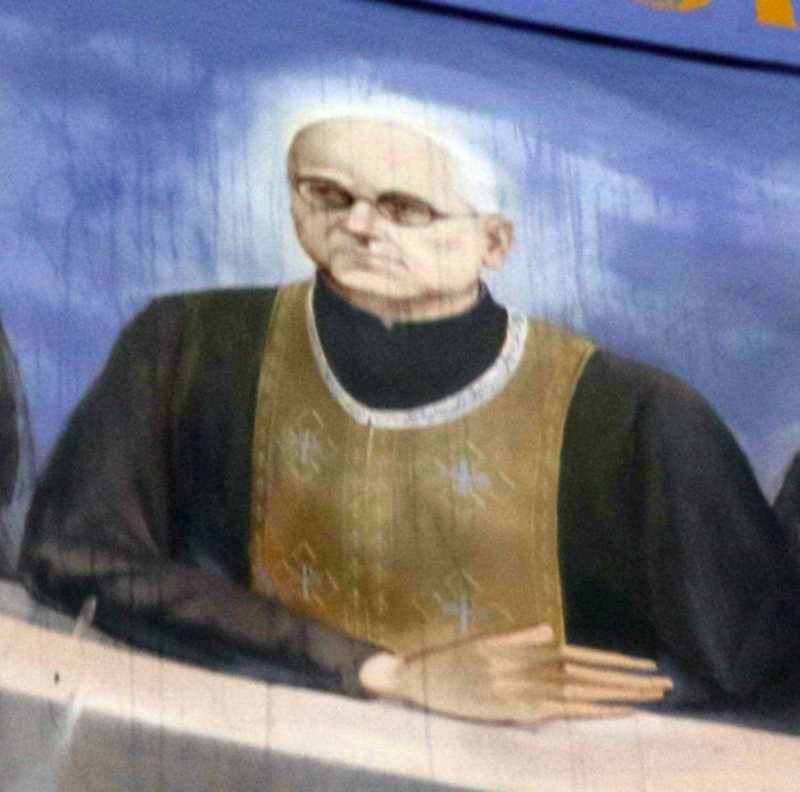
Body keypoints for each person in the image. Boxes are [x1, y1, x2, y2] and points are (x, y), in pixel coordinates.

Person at [19, 113, 800, 722]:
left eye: (405, 208)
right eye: (327, 195)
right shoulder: (187, 345)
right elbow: (77, 554)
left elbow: (757, 667)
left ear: (495, 241)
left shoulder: (638, 418)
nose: (360, 227)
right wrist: (380, 671)